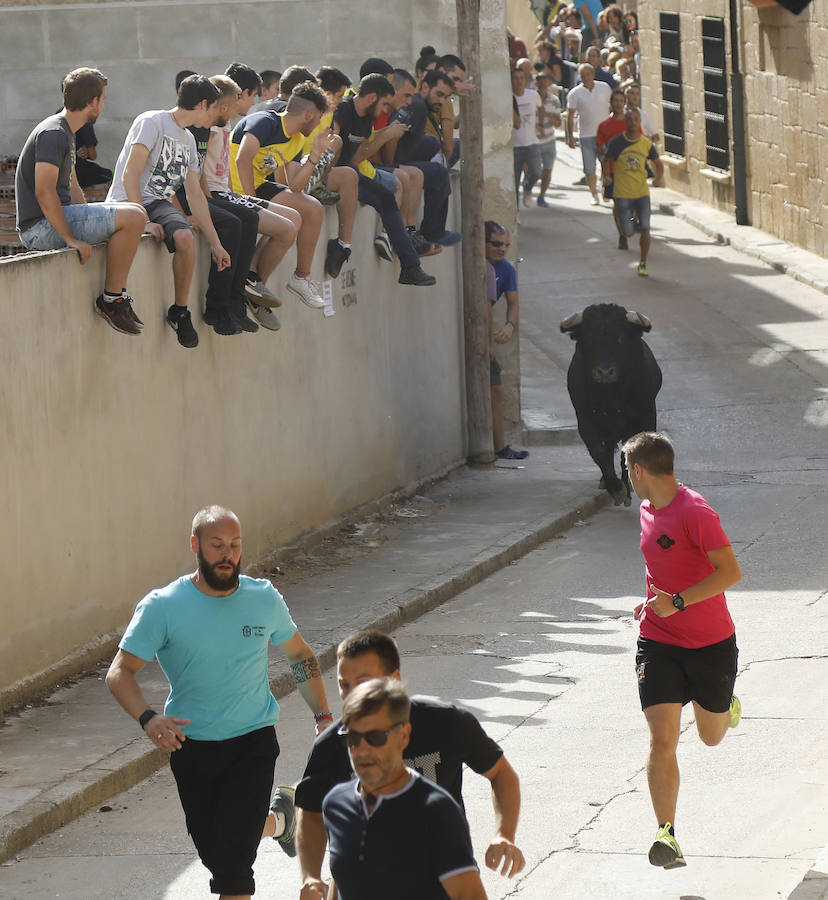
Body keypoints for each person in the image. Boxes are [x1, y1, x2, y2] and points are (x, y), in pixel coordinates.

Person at [105, 505, 334, 899]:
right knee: (216, 850)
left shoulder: (262, 598)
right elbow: (119, 673)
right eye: (217, 545)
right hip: (191, 747)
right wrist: (149, 718)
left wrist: (324, 715)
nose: (227, 554)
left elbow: (300, 656)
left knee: (232, 868)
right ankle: (280, 820)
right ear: (196, 545)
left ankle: (273, 825)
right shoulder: (163, 606)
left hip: (253, 743)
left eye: (234, 544)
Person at [277, 629, 524, 898]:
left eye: (363, 682)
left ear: (394, 680)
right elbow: (311, 811)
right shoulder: (332, 746)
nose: (351, 695)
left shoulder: (446, 725)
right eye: (344, 684)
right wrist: (311, 875)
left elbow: (501, 773)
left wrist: (504, 834)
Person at [621, 432, 742, 870]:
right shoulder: (646, 510)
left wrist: (677, 602)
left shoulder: (696, 511)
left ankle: (726, 703)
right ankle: (666, 834)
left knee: (710, 736)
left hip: (710, 643)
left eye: (627, 470)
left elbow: (731, 572)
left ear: (637, 471)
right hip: (658, 641)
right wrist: (654, 600)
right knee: (662, 737)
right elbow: (661, 564)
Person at [322, 678, 489, 900]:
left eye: (375, 737)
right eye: (352, 738)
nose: (362, 750)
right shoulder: (336, 803)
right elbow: (341, 876)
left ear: (403, 736)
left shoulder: (436, 811)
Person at [15, 67, 147, 335]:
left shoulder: (66, 131)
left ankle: (116, 296)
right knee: (135, 217)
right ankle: (112, 301)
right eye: (103, 99)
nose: (103, 104)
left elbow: (72, 185)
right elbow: (44, 191)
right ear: (93, 101)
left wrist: (89, 214)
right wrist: (71, 238)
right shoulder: (53, 133)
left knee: (134, 211)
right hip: (39, 228)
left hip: (53, 221)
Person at [107, 75, 231, 348]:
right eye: (214, 108)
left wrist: (216, 244)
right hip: (129, 201)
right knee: (177, 231)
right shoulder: (151, 122)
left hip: (159, 203)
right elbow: (130, 174)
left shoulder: (187, 140)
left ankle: (180, 312)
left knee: (185, 238)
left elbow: (195, 194)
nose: (216, 115)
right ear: (202, 104)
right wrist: (141, 220)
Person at [333, 74, 436, 287]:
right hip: (333, 177)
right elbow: (346, 156)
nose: (387, 110)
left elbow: (357, 156)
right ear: (372, 98)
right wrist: (386, 136)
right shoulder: (342, 111)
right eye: (385, 104)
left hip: (351, 176)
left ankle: (410, 268)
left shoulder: (366, 120)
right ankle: (341, 247)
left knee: (387, 199)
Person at [484, 221, 529, 460]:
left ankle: (499, 446)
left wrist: (510, 326)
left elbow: (513, 303)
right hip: (479, 335)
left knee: (495, 388)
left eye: (507, 245)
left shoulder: (505, 269)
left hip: (485, 335)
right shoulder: (481, 267)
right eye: (497, 244)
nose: (502, 249)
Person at [601, 106, 664, 276]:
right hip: (622, 193)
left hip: (642, 193)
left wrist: (658, 178)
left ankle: (643, 263)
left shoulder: (646, 143)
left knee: (645, 229)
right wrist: (606, 176)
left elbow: (658, 164)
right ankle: (632, 227)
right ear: (625, 122)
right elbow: (606, 160)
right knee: (628, 231)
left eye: (636, 120)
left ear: (639, 122)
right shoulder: (616, 143)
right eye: (629, 120)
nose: (633, 123)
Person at [566, 63, 612, 205]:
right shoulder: (574, 93)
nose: (586, 77)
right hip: (586, 135)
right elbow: (570, 116)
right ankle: (594, 194)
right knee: (589, 167)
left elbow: (614, 106)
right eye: (583, 75)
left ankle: (605, 189)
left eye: (588, 74)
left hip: (604, 135)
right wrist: (570, 137)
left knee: (606, 165)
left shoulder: (605, 87)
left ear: (593, 74)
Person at [595, 88, 629, 247]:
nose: (618, 104)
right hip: (613, 170)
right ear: (611, 103)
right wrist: (604, 174)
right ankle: (622, 235)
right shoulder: (604, 126)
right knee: (618, 204)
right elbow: (600, 149)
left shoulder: (632, 122)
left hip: (630, 170)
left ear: (624, 103)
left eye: (621, 101)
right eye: (615, 101)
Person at [511, 67, 541, 208]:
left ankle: (527, 188)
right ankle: (515, 214)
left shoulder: (533, 95)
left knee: (536, 172)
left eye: (521, 78)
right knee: (514, 182)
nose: (519, 81)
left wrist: (541, 126)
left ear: (526, 80)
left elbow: (540, 111)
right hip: (514, 145)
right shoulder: (508, 98)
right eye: (516, 78)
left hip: (531, 142)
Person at [534, 68, 561, 207]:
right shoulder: (532, 98)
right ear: (537, 83)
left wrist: (551, 118)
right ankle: (530, 189)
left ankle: (542, 195)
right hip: (533, 141)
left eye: (546, 81)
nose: (544, 83)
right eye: (541, 81)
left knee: (548, 169)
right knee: (534, 170)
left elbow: (558, 123)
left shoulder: (554, 100)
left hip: (549, 140)